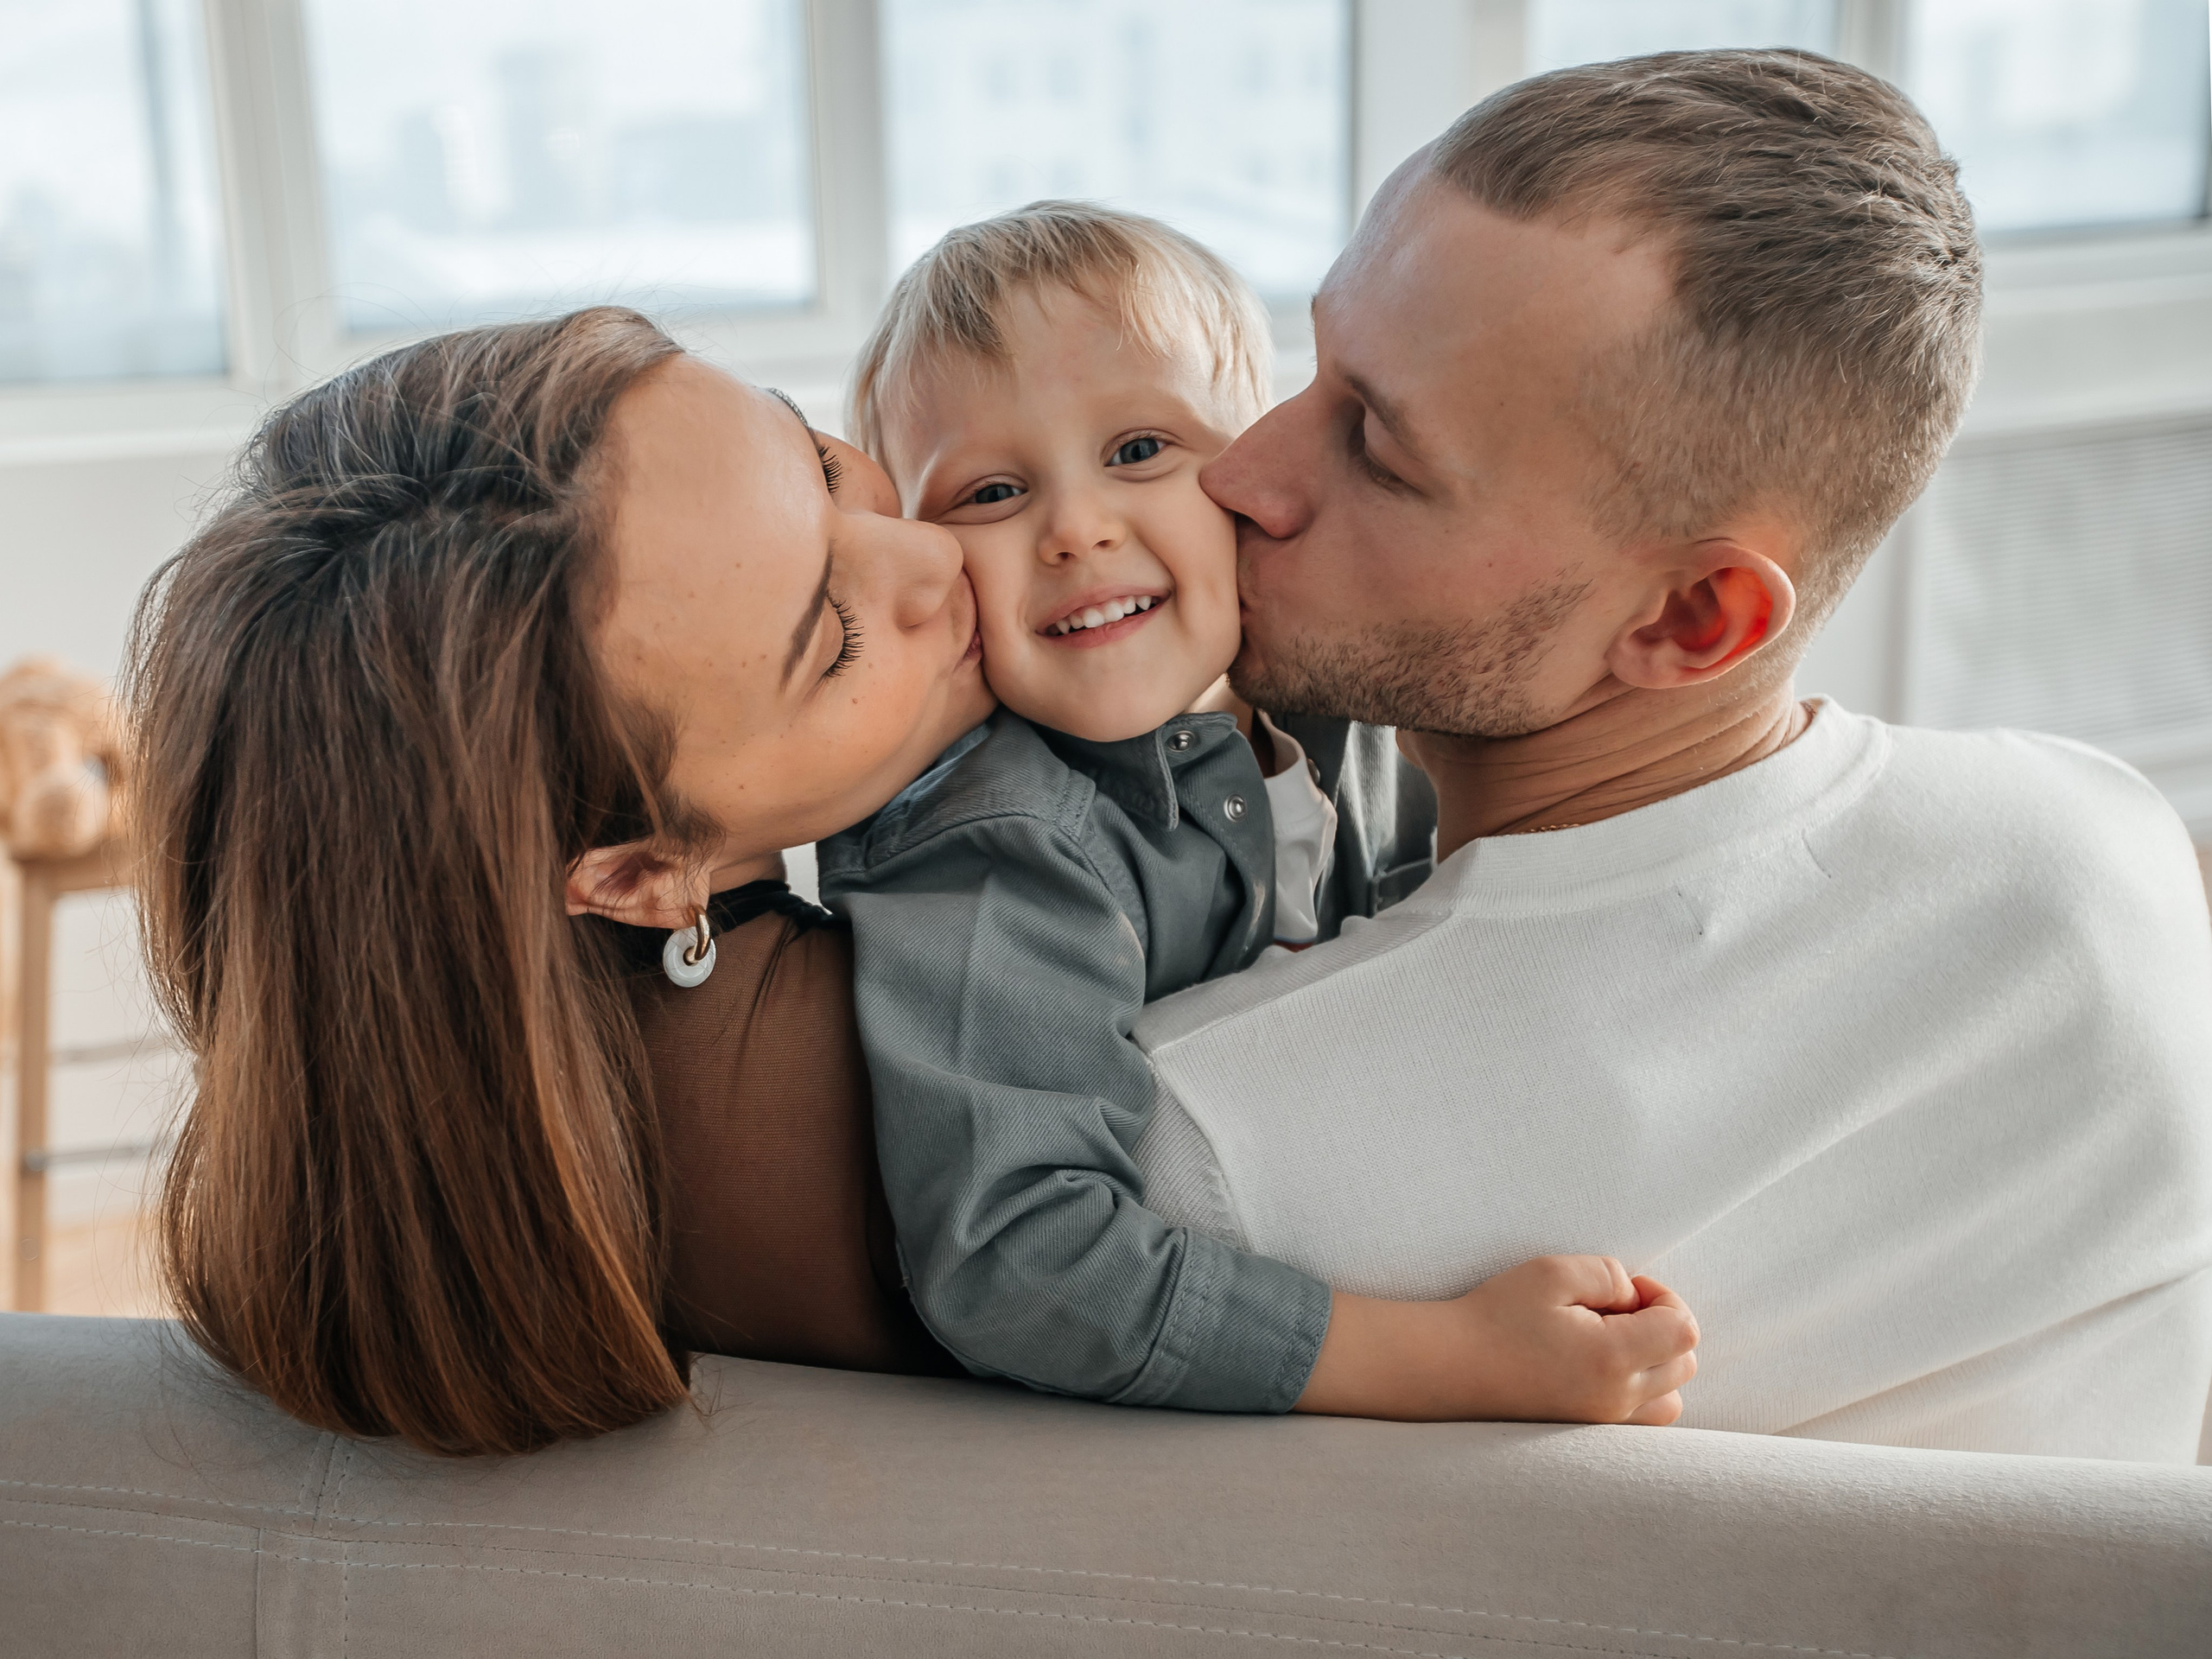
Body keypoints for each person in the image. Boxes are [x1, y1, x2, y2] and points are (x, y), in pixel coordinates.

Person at [128, 303, 1683, 1459]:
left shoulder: (443, 1115)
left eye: (815, 459)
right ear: (641, 875)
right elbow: (1039, 1262)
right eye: (833, 637)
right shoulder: (937, 999)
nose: (936, 562)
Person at [1129, 49, 2212, 1460]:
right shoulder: (2107, 838)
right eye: (1315, 364)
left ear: (1694, 619)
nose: (1242, 474)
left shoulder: (1222, 1145)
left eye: (1380, 454)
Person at [821, 200, 1695, 1415]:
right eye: (991, 493)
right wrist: (1449, 1360)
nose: (1076, 529)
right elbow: (1017, 1261)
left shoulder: (1349, 715)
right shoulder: (996, 850)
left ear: (1254, 476)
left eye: (1139, 450)